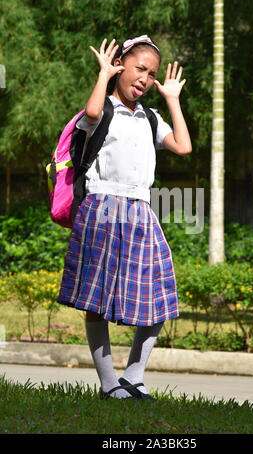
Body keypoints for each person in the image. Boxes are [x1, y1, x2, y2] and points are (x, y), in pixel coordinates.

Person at [57, 35, 192, 400]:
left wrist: (173, 100)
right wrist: (104, 74)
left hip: (140, 211)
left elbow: (183, 146)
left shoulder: (149, 117)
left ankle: (134, 376)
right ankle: (108, 384)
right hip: (102, 209)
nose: (146, 79)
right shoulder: (105, 111)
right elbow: (91, 115)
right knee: (96, 299)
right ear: (121, 64)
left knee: (159, 293)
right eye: (139, 68)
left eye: (151, 73)